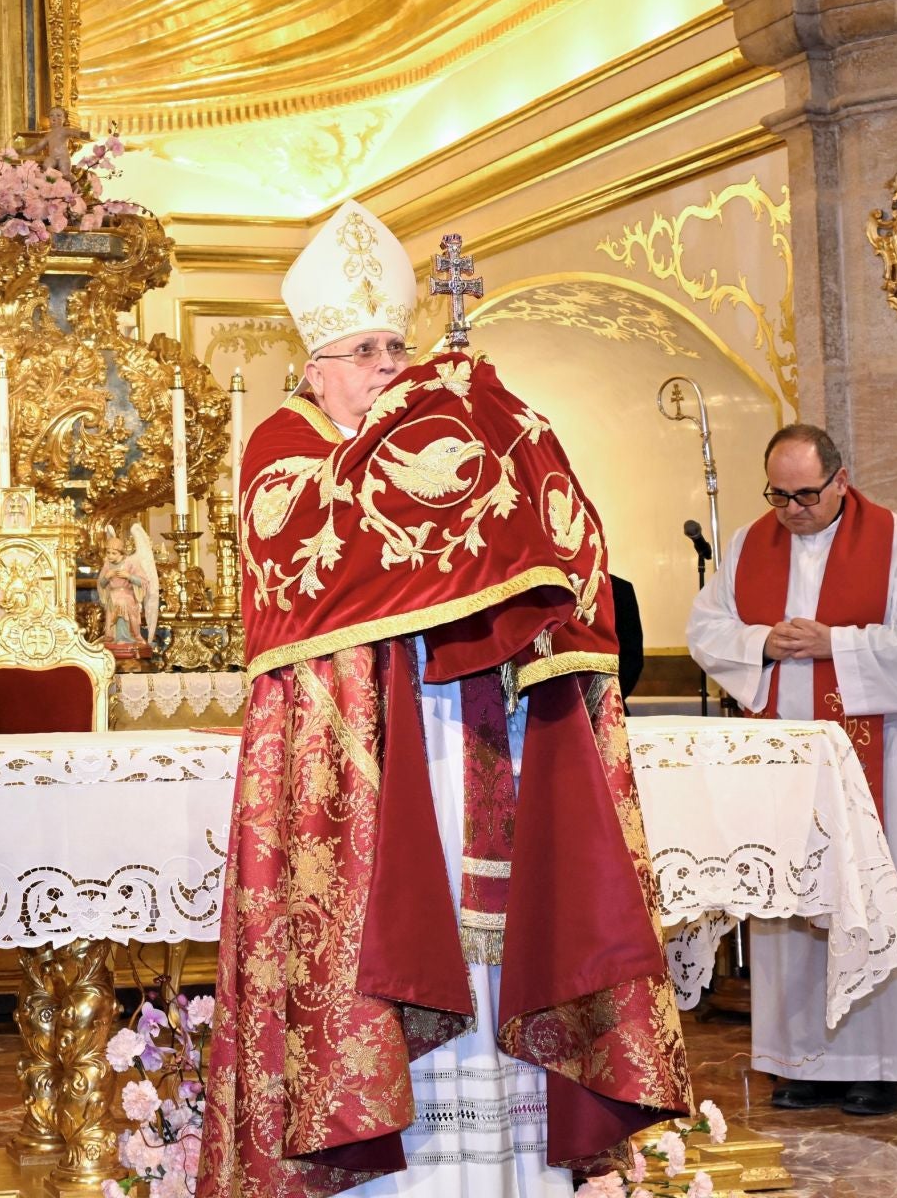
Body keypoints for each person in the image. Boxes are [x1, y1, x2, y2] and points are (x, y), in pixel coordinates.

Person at [199, 201, 689, 1197]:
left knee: (498, 940)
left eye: (397, 345)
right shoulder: (281, 451)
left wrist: (498, 429)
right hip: (364, 779)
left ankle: (520, 1170)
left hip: (475, 747)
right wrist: (456, 423)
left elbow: (550, 533)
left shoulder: (437, 437)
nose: (390, 363)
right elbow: (348, 529)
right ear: (315, 370)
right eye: (366, 349)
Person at [686, 424, 897, 1116]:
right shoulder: (751, 543)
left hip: (874, 752)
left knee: (862, 895)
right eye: (779, 495)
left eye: (807, 495)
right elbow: (705, 628)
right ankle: (798, 1061)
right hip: (781, 760)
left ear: (841, 480)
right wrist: (761, 641)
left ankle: (879, 1064)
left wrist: (834, 643)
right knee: (788, 898)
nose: (792, 510)